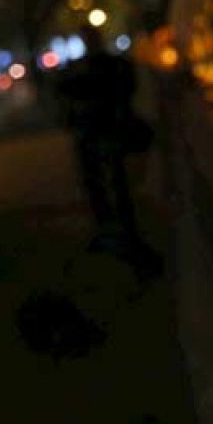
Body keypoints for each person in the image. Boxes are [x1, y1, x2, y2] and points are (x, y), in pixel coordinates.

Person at [57, 25, 160, 277]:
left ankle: (121, 232)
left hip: (104, 132)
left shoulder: (99, 68)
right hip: (97, 133)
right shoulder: (98, 67)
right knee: (103, 184)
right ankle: (114, 231)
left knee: (113, 184)